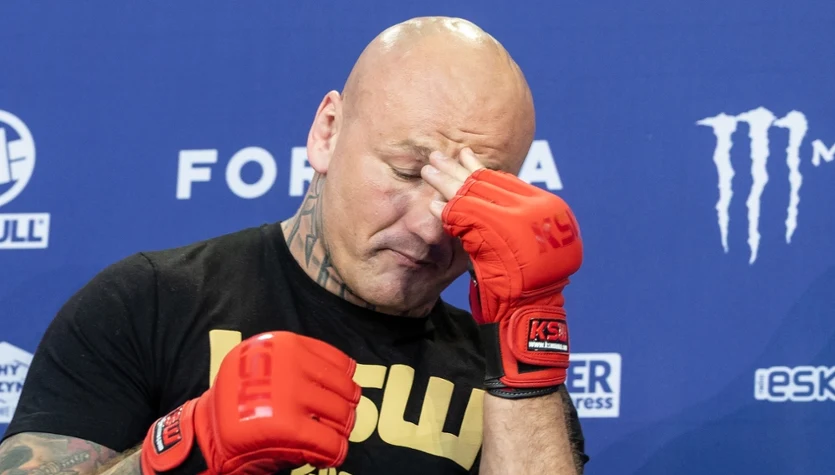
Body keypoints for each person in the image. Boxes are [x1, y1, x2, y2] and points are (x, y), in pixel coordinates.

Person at [0, 16, 589, 475]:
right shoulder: (151, 302)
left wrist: (527, 342)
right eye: (408, 171)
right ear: (327, 131)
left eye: (470, 193)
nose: (432, 226)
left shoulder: (506, 381)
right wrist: (183, 450)